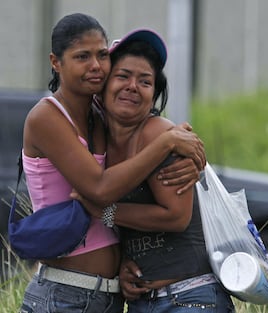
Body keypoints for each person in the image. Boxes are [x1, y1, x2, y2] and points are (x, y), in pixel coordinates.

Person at [19, 13, 205, 313]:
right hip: (64, 294)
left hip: (109, 297)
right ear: (56, 62)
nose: (95, 65)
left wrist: (194, 157)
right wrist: (168, 142)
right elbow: (100, 189)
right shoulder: (47, 117)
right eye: (82, 56)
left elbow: (117, 203)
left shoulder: (100, 118)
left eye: (102, 55)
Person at [77, 28, 235, 312]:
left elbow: (176, 216)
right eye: (123, 76)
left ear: (154, 94)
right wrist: (122, 265)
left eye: (145, 81)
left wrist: (105, 212)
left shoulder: (157, 133)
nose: (132, 86)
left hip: (191, 297)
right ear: (103, 85)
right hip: (145, 301)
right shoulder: (98, 143)